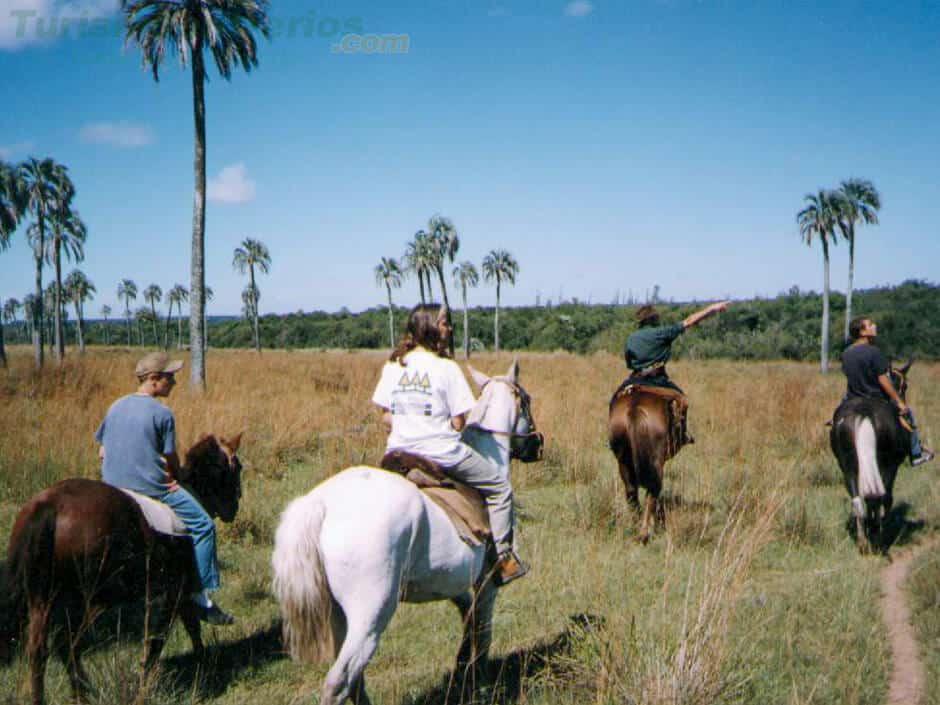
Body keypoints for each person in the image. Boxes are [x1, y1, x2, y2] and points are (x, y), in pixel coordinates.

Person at [372, 303, 528, 586]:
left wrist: (410, 423)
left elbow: (385, 417)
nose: (449, 328)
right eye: (444, 322)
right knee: (500, 488)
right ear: (430, 327)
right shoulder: (447, 367)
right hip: (441, 453)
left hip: (396, 454)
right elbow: (458, 423)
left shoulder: (393, 365)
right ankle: (504, 558)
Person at [94, 351, 234, 624]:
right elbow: (170, 458)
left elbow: (102, 451)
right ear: (154, 380)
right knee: (205, 526)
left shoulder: (116, 405)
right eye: (170, 377)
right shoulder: (162, 413)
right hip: (151, 488)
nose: (174, 382)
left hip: (111, 484)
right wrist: (178, 472)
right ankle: (200, 595)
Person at [621, 301, 729, 442]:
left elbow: (629, 363)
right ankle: (681, 435)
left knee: (615, 399)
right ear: (655, 319)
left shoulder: (631, 338)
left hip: (635, 379)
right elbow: (689, 321)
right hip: (657, 379)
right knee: (682, 401)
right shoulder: (662, 332)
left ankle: (613, 439)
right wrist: (712, 308)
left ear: (640, 321)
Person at [840, 316, 933, 466]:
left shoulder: (846, 353)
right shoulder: (874, 352)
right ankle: (916, 454)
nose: (874, 326)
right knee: (909, 415)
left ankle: (834, 421)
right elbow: (883, 380)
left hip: (852, 397)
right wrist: (898, 402)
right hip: (875, 397)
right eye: (870, 325)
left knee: (839, 411)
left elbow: (849, 376)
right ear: (862, 332)